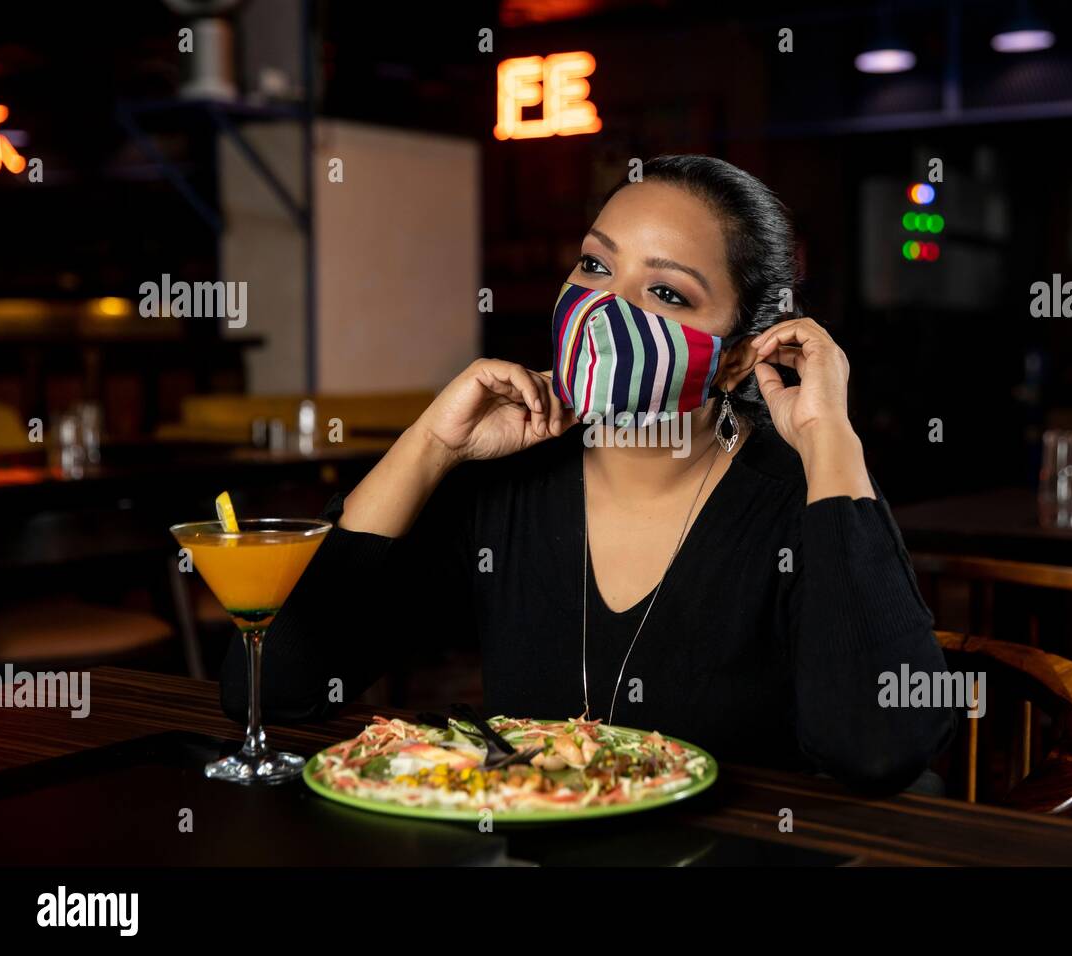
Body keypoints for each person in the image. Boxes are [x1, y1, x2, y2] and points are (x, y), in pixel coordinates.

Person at [221, 154, 955, 794]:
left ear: (735, 358)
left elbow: (880, 748)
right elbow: (275, 686)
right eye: (596, 266)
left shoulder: (805, 495)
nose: (606, 306)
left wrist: (830, 438)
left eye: (666, 293)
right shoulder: (507, 484)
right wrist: (430, 444)